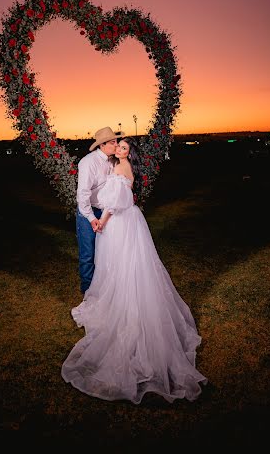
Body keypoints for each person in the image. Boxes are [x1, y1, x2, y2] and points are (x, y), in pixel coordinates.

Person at [62, 136, 207, 404]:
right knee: (120, 264)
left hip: (117, 222)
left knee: (120, 265)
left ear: (129, 153)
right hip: (128, 220)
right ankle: (116, 298)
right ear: (107, 147)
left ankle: (124, 307)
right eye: (117, 145)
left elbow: (114, 202)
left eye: (124, 147)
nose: (119, 148)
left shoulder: (119, 167)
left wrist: (100, 222)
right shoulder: (110, 164)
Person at [76, 126, 125, 295]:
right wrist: (90, 218)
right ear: (102, 144)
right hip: (88, 212)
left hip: (106, 213)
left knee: (106, 252)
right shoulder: (88, 162)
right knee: (88, 253)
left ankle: (104, 289)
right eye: (113, 142)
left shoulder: (114, 160)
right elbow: (82, 195)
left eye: (116, 141)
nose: (116, 145)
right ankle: (88, 292)